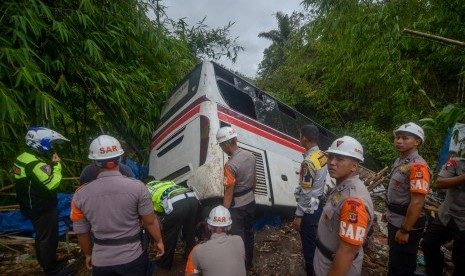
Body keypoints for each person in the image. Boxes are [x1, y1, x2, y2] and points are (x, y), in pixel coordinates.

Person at [70, 135, 164, 275]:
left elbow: (82, 232)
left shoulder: (80, 195)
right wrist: (159, 241)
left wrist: (88, 254)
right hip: (132, 258)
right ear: (119, 158)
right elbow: (150, 221)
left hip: (101, 261)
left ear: (94, 162)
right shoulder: (138, 188)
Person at [12, 126, 75, 276]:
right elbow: (52, 184)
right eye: (49, 143)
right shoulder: (36, 165)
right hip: (42, 207)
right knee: (48, 238)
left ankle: (48, 264)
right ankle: (52, 270)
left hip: (30, 205)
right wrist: (56, 166)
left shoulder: (22, 158)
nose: (51, 147)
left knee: (41, 237)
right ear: (40, 143)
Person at [313, 136, 374, 276]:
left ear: (354, 166)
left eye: (340, 159)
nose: (332, 163)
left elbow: (347, 253)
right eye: (331, 157)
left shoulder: (354, 201)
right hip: (324, 260)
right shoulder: (342, 186)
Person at [385, 122, 431, 275]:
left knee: (402, 267)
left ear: (417, 142)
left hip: (406, 224)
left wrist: (405, 230)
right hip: (395, 219)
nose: (399, 141)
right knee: (395, 261)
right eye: (397, 137)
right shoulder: (400, 161)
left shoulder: (418, 166)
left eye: (405, 138)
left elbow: (417, 201)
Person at [421, 141, 465, 276]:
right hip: (446, 215)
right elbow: (439, 183)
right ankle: (435, 271)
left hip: (464, 222)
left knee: (461, 260)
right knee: (428, 244)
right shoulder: (455, 163)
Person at [217, 126, 256, 269]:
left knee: (239, 238)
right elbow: (254, 180)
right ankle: (249, 262)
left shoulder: (230, 165)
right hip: (250, 201)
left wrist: (224, 213)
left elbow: (229, 192)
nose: (222, 148)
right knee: (250, 233)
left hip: (238, 207)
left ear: (227, 144)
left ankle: (241, 267)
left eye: (221, 145)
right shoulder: (250, 155)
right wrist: (251, 195)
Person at [292, 124, 328, 275]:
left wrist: (299, 215)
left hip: (309, 207)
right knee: (315, 238)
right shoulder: (321, 155)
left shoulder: (308, 162)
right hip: (318, 201)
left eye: (300, 135)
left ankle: (312, 270)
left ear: (304, 138)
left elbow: (306, 192)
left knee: (308, 245)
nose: (299, 138)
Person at [144, 176, 200, 270]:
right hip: (192, 198)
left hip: (176, 203)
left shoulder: (145, 189)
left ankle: (164, 264)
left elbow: (152, 218)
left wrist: (156, 238)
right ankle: (190, 258)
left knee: (169, 235)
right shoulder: (166, 182)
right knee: (190, 231)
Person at [185, 205, 246, 276]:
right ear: (229, 227)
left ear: (209, 226)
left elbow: (189, 274)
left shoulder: (197, 251)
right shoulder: (239, 241)